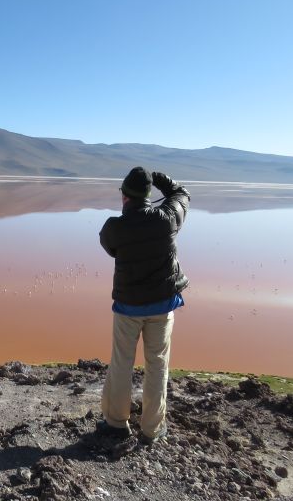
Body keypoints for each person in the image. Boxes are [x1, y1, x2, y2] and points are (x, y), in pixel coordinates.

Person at [97, 167, 190, 445]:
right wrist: (162, 181)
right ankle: (152, 428)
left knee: (121, 363)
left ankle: (116, 423)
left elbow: (109, 245)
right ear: (148, 195)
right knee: (158, 365)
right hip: (162, 307)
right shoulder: (167, 219)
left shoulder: (115, 226)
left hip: (128, 308)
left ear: (125, 197)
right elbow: (182, 194)